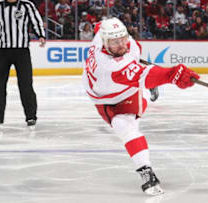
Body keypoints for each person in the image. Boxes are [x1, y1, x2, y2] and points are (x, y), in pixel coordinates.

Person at [82, 17, 199, 195]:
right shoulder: (112, 67)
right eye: (115, 42)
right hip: (106, 97)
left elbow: (101, 25)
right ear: (105, 43)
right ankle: (148, 82)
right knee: (142, 78)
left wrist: (154, 75)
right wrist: (172, 75)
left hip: (125, 92)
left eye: (123, 39)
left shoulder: (101, 35)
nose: (121, 45)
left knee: (124, 126)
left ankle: (145, 171)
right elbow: (136, 73)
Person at [0, 0, 45, 128]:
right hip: (2, 51)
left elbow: (35, 20)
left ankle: (31, 116)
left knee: (25, 84)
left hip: (21, 51)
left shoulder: (26, 5)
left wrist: (40, 35)